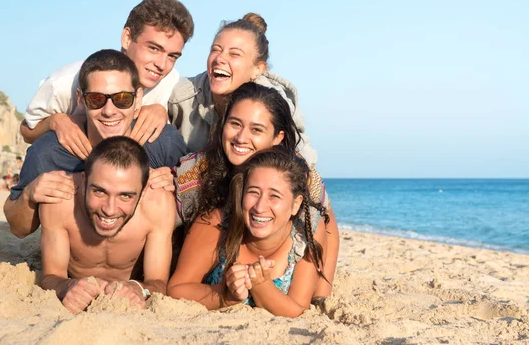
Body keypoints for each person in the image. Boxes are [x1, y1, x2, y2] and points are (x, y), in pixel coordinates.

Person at [171, 83, 338, 297]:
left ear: (278, 138)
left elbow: (326, 221)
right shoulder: (196, 172)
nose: (241, 137)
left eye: (256, 130)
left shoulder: (297, 175)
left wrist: (321, 294)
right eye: (235, 124)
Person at [3, 49, 185, 238]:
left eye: (122, 99)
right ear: (81, 100)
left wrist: (176, 185)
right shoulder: (48, 152)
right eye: (96, 99)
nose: (109, 111)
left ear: (137, 99)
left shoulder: (163, 142)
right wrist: (29, 196)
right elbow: (18, 229)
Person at [21, 0, 194, 158]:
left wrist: (161, 110)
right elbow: (27, 131)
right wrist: (55, 121)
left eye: (172, 56)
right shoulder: (66, 82)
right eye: (154, 49)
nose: (162, 65)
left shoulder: (170, 84)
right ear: (127, 38)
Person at [168, 147, 327, 317]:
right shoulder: (216, 223)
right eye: (253, 192)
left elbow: (298, 309)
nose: (259, 207)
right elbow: (176, 290)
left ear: (295, 204)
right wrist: (225, 296)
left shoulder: (306, 232)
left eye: (274, 196)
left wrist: (261, 286)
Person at [40, 136, 175, 314]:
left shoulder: (159, 204)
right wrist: (68, 286)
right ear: (83, 181)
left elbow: (158, 283)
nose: (109, 210)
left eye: (125, 196)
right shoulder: (60, 201)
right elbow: (50, 277)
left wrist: (138, 289)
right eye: (99, 191)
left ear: (142, 193)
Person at [168, 13, 317, 165]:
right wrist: (157, 107)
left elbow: (303, 153)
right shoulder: (180, 95)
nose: (220, 59)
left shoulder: (274, 104)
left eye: (234, 54)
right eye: (216, 49)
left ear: (258, 69)